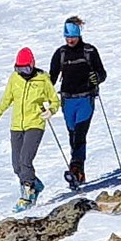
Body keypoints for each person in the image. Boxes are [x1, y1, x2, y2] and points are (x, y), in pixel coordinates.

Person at [0, 48, 58, 209]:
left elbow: (55, 101)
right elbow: (7, 99)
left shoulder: (42, 79)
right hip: (17, 125)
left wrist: (50, 111)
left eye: (25, 69)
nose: (22, 72)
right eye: (19, 69)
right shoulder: (14, 79)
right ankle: (34, 184)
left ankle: (27, 196)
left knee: (25, 160)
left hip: (35, 124)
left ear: (32, 65)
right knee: (16, 165)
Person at [46, 16, 108, 189]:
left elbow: (101, 73)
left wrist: (97, 78)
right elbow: (51, 78)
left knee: (80, 134)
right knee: (73, 136)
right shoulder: (61, 53)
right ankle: (78, 173)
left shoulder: (89, 51)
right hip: (67, 100)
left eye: (72, 36)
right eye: (67, 36)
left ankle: (75, 168)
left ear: (79, 35)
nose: (70, 40)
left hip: (85, 99)